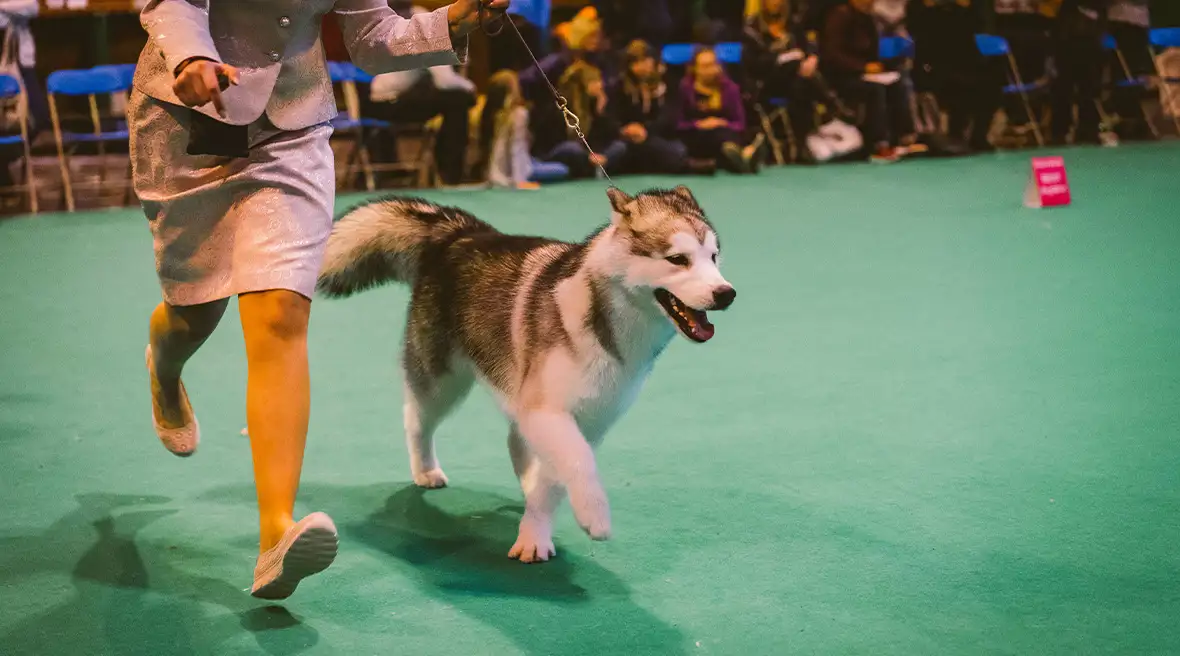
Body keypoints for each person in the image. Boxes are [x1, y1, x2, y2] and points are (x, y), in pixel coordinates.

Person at [129, 0, 507, 600]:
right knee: (195, 311)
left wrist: (452, 21)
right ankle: (164, 369)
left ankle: (275, 534)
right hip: (188, 120)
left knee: (279, 313)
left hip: (292, 129)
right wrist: (191, 57)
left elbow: (372, 35)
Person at [363, 1, 478, 186]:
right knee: (458, 99)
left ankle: (444, 167)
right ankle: (450, 173)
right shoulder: (423, 19)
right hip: (388, 103)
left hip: (376, 101)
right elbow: (444, 81)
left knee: (450, 97)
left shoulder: (391, 17)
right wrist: (472, 89)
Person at [743, 0, 853, 162]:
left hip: (796, 83)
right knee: (796, 70)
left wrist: (812, 58)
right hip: (767, 82)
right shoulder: (751, 29)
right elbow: (753, 65)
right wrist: (781, 58)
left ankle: (802, 143)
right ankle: (833, 105)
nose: (776, 3)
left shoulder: (793, 24)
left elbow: (808, 47)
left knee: (801, 84)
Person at [820, 0, 923, 161]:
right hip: (842, 76)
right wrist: (862, 67)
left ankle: (904, 138)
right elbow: (832, 54)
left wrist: (881, 65)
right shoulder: (839, 16)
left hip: (868, 73)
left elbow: (874, 49)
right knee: (875, 89)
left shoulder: (869, 18)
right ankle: (879, 143)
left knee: (899, 82)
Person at [907, 0, 1001, 152]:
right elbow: (915, 30)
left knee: (991, 84)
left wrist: (965, 7)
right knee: (957, 84)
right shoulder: (924, 11)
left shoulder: (967, 12)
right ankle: (955, 135)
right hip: (933, 65)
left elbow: (980, 25)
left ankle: (978, 137)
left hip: (965, 61)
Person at [609, 40, 698, 174]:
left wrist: (646, 130)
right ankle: (689, 166)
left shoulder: (667, 84)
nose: (641, 66)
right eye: (635, 62)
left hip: (656, 135)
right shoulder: (619, 86)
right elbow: (611, 116)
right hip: (628, 139)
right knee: (621, 149)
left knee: (678, 150)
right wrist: (624, 130)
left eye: (645, 60)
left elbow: (669, 117)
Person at [673, 47, 765, 174]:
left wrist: (722, 123)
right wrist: (698, 124)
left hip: (725, 134)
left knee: (725, 136)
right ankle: (745, 155)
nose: (710, 70)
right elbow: (678, 124)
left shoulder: (730, 88)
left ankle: (740, 156)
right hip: (695, 135)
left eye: (713, 64)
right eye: (705, 66)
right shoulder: (684, 89)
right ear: (694, 68)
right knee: (709, 138)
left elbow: (740, 123)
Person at [480, 69, 569, 188]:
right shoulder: (519, 114)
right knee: (562, 169)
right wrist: (520, 180)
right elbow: (517, 148)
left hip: (497, 169)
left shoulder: (490, 115)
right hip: (514, 169)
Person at [1050, 0, 1108, 144]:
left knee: (1090, 86)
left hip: (1092, 38)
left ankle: (1088, 130)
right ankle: (1060, 131)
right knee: (1063, 86)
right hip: (1067, 36)